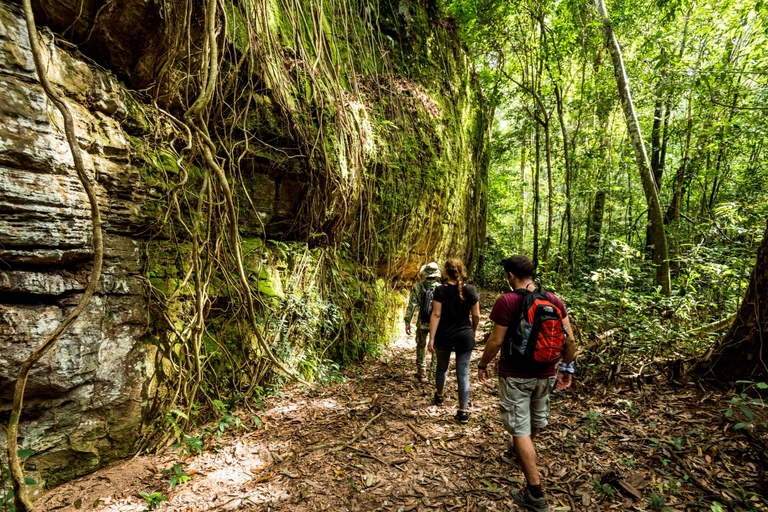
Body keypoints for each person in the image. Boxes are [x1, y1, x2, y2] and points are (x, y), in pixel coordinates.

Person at [477, 255, 576, 512]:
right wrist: (566, 368)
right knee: (533, 422)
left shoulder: (506, 301)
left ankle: (534, 493)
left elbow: (496, 341)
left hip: (515, 375)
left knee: (519, 430)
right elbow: (570, 341)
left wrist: (482, 364)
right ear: (532, 273)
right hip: (546, 374)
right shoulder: (554, 300)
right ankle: (521, 449)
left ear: (510, 275)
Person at [429, 259, 481, 424]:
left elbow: (436, 315)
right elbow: (477, 315)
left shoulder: (440, 291)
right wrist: (472, 331)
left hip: (444, 336)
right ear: (461, 271)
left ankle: (439, 396)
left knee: (442, 368)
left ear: (445, 272)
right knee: (463, 373)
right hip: (464, 337)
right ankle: (463, 411)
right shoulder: (470, 290)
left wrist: (431, 338)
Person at [404, 262, 441, 382]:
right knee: (436, 347)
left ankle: (421, 370)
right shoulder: (441, 288)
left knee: (421, 345)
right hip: (437, 324)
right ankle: (433, 374)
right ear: (436, 275)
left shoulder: (418, 287)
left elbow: (412, 305)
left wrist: (407, 321)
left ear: (424, 274)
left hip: (422, 322)